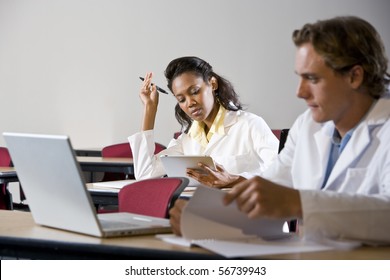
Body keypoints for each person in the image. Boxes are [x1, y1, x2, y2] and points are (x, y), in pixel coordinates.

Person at [170, 16, 390, 244]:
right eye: (300, 77)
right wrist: (203, 218)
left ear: (354, 76)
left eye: (312, 78)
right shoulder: (308, 125)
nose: (300, 92)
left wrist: (299, 203)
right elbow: (269, 191)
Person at [128, 56, 279, 188]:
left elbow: (284, 170)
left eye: (194, 91)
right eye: (181, 99)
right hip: (207, 214)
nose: (190, 103)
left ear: (212, 84)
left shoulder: (249, 124)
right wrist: (149, 109)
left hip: (249, 215)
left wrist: (235, 179)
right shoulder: (187, 139)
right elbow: (145, 173)